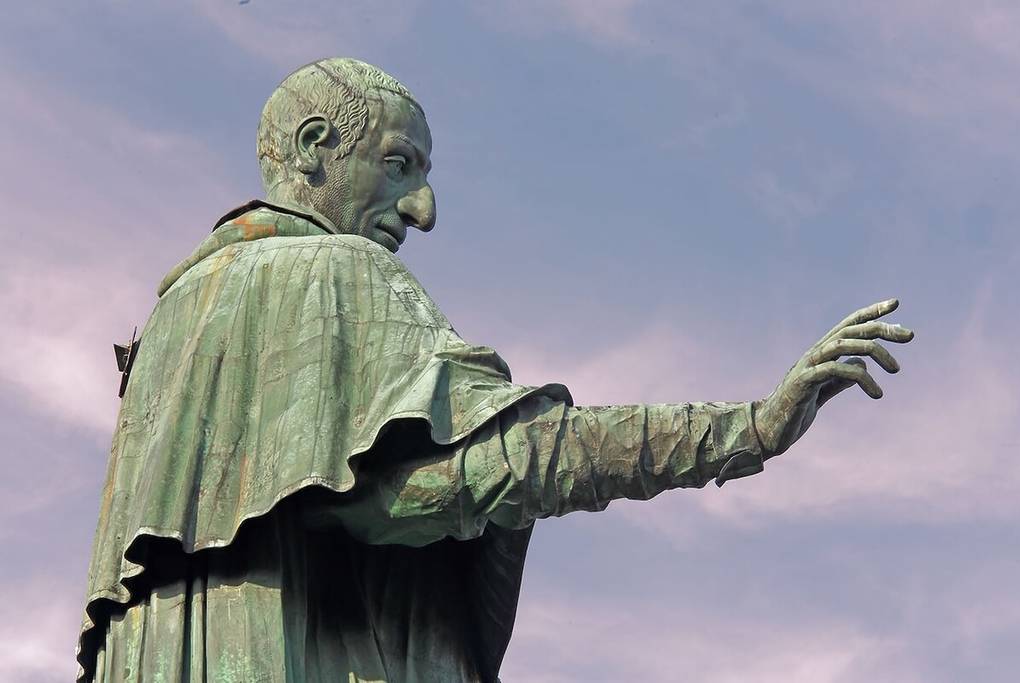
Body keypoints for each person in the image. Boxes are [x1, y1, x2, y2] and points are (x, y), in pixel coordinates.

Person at [77, 58, 913, 682]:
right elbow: (462, 475)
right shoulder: (338, 274)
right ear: (315, 147)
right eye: (399, 166)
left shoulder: (174, 324)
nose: (423, 210)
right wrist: (748, 429)